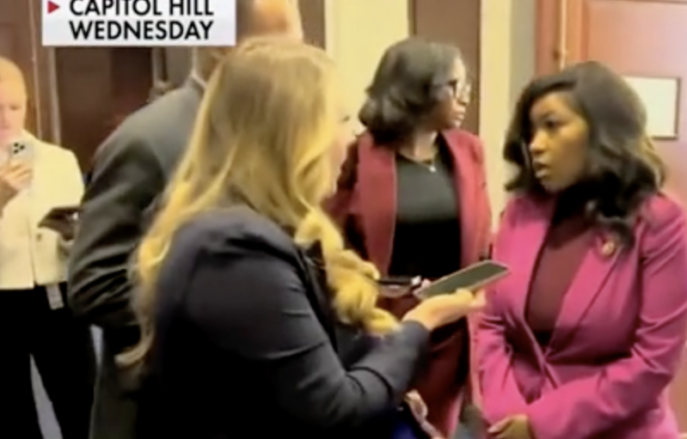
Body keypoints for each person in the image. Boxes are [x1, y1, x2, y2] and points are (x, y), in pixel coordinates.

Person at [128, 36, 484, 439]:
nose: (350, 138)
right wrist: (420, 324)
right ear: (294, 136)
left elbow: (305, 355)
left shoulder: (253, 230)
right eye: (340, 121)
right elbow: (335, 407)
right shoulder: (235, 250)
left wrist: (388, 382)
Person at [66, 1, 304, 438]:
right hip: (162, 413)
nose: (298, 63)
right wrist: (221, 304)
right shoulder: (147, 141)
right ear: (221, 45)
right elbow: (94, 286)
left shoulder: (269, 132)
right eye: (283, 47)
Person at [476, 61, 687, 439]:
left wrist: (541, 424)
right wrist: (509, 415)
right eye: (531, 131)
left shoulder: (659, 221)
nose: (536, 145)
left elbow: (653, 361)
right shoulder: (520, 214)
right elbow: (491, 325)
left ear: (602, 130)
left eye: (552, 126)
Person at [324, 37, 491, 436]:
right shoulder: (358, 155)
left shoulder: (469, 151)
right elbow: (331, 244)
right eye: (453, 85)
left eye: (466, 84)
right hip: (383, 329)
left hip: (454, 330)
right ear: (418, 89)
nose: (465, 96)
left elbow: (482, 237)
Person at [0, 56, 95, 439]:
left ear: (27, 104)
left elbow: (80, 224)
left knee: (81, 402)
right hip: (3, 299)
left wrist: (74, 235)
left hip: (57, 294)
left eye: (14, 106)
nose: (6, 118)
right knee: (13, 414)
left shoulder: (59, 160)